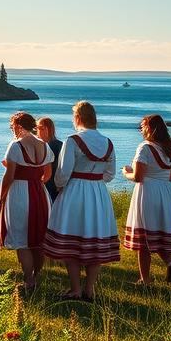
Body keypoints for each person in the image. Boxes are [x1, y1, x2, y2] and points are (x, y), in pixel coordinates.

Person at [43, 101, 120, 302]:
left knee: (72, 236)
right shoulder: (108, 142)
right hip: (98, 192)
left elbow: (63, 173)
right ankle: (89, 289)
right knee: (94, 237)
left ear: (78, 118)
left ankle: (76, 289)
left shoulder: (73, 140)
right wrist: (95, 181)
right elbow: (110, 174)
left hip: (75, 191)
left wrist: (61, 185)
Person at [122, 114, 171, 285]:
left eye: (142, 127)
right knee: (160, 231)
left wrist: (126, 172)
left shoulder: (145, 148)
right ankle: (170, 263)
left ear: (150, 128)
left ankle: (145, 279)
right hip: (166, 192)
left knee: (145, 238)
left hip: (147, 191)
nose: (141, 130)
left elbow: (138, 177)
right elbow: (170, 177)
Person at [0, 111, 52, 290]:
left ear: (18, 126)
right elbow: (47, 174)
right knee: (38, 238)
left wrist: (1, 198)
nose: (12, 130)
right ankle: (36, 275)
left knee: (22, 239)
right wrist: (36, 181)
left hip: (20, 192)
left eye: (12, 127)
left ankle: (29, 280)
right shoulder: (44, 145)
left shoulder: (15, 146)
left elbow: (9, 176)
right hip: (40, 193)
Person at [36, 117, 64, 202]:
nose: (37, 131)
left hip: (49, 184)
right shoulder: (60, 144)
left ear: (47, 129)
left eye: (40, 128)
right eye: (37, 128)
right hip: (57, 185)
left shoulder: (49, 146)